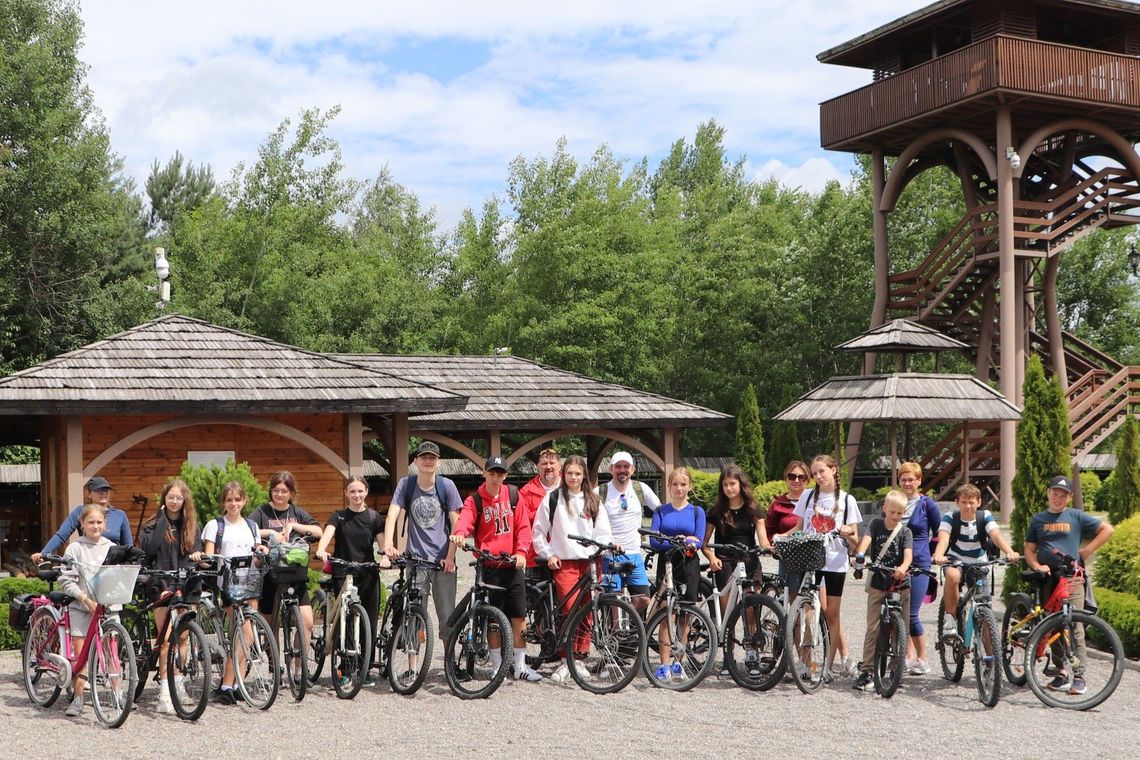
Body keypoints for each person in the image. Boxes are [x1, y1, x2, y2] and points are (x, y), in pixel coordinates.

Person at [450, 455, 543, 682]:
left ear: (505, 476)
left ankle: (520, 665)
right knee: (493, 619)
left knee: (519, 616)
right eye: (491, 473)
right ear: (484, 473)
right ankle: (497, 665)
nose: (495, 477)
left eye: (499, 473)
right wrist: (460, 534)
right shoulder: (476, 501)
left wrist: (521, 551)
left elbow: (523, 527)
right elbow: (465, 520)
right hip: (489, 566)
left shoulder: (513, 495)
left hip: (512, 565)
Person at [1023, 474, 1114, 696]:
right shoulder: (1038, 520)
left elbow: (1108, 529)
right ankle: (1061, 672)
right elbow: (1029, 550)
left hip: (1072, 578)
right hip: (1048, 578)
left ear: (1069, 497)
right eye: (1055, 493)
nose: (1058, 497)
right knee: (1053, 624)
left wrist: (1087, 551)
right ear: (1048, 493)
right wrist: (1036, 566)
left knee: (1074, 625)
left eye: (1063, 495)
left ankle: (1080, 676)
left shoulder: (1076, 516)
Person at [530, 454, 613, 684]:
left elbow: (603, 531)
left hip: (590, 561)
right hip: (565, 561)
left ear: (584, 475)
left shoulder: (593, 499)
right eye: (569, 473)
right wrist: (549, 554)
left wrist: (604, 549)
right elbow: (538, 531)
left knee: (587, 612)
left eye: (577, 473)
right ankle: (565, 659)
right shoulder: (553, 498)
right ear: (562, 474)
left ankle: (579, 658)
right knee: (569, 608)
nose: (573, 477)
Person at [784, 453, 862, 678]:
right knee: (808, 610)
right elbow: (799, 528)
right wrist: (781, 537)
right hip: (810, 560)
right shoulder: (808, 496)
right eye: (815, 473)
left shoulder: (847, 500)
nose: (818, 476)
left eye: (822, 471)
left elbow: (856, 541)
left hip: (836, 563)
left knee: (832, 614)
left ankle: (827, 666)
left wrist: (848, 533)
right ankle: (806, 662)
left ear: (834, 470)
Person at [382, 441, 463, 643]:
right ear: (416, 461)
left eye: (432, 457)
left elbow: (456, 525)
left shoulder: (447, 486)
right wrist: (387, 547)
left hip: (442, 562)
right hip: (415, 561)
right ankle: (413, 666)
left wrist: (451, 557)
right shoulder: (406, 484)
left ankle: (449, 664)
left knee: (447, 616)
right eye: (424, 457)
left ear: (439, 462)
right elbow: (392, 515)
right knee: (414, 614)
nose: (428, 461)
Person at [139, 479, 204, 714]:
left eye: (178, 498)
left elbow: (196, 550)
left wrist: (198, 555)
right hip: (161, 583)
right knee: (166, 639)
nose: (175, 501)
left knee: (184, 638)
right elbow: (148, 549)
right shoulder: (153, 524)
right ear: (164, 499)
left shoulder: (192, 526)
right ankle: (164, 694)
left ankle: (179, 686)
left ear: (184, 500)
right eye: (171, 497)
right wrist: (162, 520)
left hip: (187, 584)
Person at [202, 481, 267, 704]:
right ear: (224, 502)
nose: (233, 504)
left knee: (246, 637)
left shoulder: (252, 526)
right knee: (244, 634)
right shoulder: (215, 525)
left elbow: (257, 553)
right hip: (229, 582)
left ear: (244, 501)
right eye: (229, 500)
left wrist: (262, 551)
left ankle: (236, 684)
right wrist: (206, 560)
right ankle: (227, 684)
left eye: (237, 499)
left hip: (251, 581)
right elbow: (210, 555)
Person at [316, 475, 385, 685]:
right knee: (345, 622)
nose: (356, 495)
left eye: (360, 491)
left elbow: (382, 545)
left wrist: (385, 557)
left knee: (368, 623)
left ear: (366, 492)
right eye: (352, 491)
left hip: (368, 574)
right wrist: (321, 549)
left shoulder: (373, 518)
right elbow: (327, 536)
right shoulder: (339, 516)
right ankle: (345, 667)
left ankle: (364, 668)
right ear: (346, 493)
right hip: (343, 573)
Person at [931, 483, 1019, 637]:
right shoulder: (950, 517)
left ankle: (991, 657)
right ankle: (950, 620)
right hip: (955, 559)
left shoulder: (984, 516)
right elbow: (943, 539)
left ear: (979, 502)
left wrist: (1010, 552)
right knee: (953, 576)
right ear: (957, 502)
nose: (968, 506)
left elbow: (996, 536)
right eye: (964, 502)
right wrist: (938, 555)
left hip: (979, 562)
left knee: (985, 611)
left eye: (972, 502)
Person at [648, 467, 706, 681]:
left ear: (689, 486)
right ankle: (663, 664)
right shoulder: (660, 511)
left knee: (685, 616)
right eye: (675, 484)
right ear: (669, 486)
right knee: (666, 614)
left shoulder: (697, 511)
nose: (679, 488)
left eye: (683, 484)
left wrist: (680, 540)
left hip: (689, 565)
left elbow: (698, 540)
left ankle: (678, 662)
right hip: (668, 564)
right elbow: (654, 540)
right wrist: (679, 541)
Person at [851, 490, 913, 691]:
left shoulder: (905, 532)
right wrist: (860, 555)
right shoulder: (876, 524)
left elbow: (908, 556)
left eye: (899, 513)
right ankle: (867, 670)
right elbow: (866, 541)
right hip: (879, 581)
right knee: (873, 628)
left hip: (900, 583)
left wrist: (903, 568)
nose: (895, 516)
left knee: (900, 629)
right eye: (892, 512)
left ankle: (897, 669)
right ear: (884, 508)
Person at [250, 471, 322, 641]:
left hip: (295, 573)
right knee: (269, 626)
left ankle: (299, 667)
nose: (279, 494)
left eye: (284, 491)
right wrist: (270, 533)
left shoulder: (297, 512)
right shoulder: (262, 511)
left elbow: (318, 531)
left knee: (307, 623)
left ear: (291, 493)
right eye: (276, 490)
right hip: (270, 574)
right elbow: (248, 531)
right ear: (270, 492)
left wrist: (294, 526)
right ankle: (273, 666)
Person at [58, 503, 114, 717]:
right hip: (81, 608)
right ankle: (78, 698)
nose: (95, 526)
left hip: (107, 608)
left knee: (112, 652)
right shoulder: (75, 548)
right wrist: (84, 599)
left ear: (105, 524)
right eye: (91, 522)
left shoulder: (111, 547)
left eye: (99, 522)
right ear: (82, 524)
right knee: (81, 656)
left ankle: (118, 695)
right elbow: (67, 581)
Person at [596, 451, 661, 615]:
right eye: (618, 466)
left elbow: (660, 510)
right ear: (611, 469)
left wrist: (658, 532)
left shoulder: (640, 489)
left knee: (643, 598)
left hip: (633, 553)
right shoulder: (600, 492)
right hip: (609, 554)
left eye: (626, 466)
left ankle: (630, 625)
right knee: (613, 602)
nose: (622, 470)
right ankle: (614, 635)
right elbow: (585, 518)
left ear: (632, 469)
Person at [703, 464, 770, 618]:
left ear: (741, 484)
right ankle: (726, 642)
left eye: (732, 484)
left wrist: (767, 548)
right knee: (728, 615)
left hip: (749, 562)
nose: (729, 488)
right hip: (725, 563)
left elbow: (763, 540)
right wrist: (711, 558)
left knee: (752, 613)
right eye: (725, 485)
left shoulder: (753, 509)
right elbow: (705, 543)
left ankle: (751, 642)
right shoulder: (716, 512)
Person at [897, 461, 942, 676]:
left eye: (911, 479)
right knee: (896, 610)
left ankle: (923, 657)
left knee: (911, 613)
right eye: (903, 479)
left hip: (918, 563)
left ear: (919, 481)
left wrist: (933, 552)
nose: (907, 483)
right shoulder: (894, 501)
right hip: (895, 562)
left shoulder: (927, 505)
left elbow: (940, 531)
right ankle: (907, 654)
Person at [35, 476, 132, 562]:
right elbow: (61, 535)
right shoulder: (80, 511)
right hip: (87, 561)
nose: (103, 493)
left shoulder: (120, 515)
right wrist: (44, 553)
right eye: (98, 490)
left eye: (106, 490)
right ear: (89, 493)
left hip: (113, 564)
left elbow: (128, 546)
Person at [519, 447, 562, 571]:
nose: (548, 467)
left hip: (565, 554)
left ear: (559, 466)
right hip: (536, 557)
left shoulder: (570, 486)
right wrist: (546, 513)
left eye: (552, 463)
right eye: (544, 464)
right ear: (538, 467)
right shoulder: (526, 491)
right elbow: (522, 521)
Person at [767, 461, 809, 588]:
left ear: (807, 480)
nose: (796, 480)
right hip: (788, 556)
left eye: (801, 477)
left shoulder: (814, 501)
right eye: (792, 476)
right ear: (786, 479)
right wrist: (773, 545)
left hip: (812, 554)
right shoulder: (778, 504)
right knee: (791, 594)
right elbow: (769, 529)